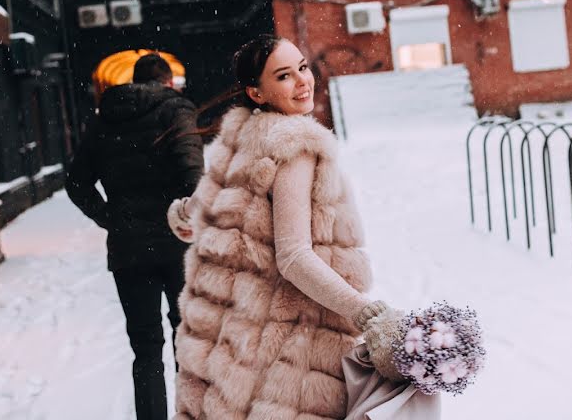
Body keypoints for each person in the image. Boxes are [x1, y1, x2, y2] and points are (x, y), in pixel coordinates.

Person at [169, 36, 440, 419]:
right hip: (286, 345)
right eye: (284, 75)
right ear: (256, 93)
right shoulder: (296, 146)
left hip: (227, 343)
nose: (302, 81)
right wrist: (367, 313)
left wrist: (180, 214)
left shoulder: (239, 138)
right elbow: (294, 257)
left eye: (302, 67)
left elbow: (199, 210)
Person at [66, 53, 203, 420]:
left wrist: (111, 217)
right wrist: (186, 219)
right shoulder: (176, 110)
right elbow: (195, 181)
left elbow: (76, 183)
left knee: (145, 350)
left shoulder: (104, 119)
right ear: (168, 81)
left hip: (128, 250)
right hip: (179, 247)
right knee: (188, 342)